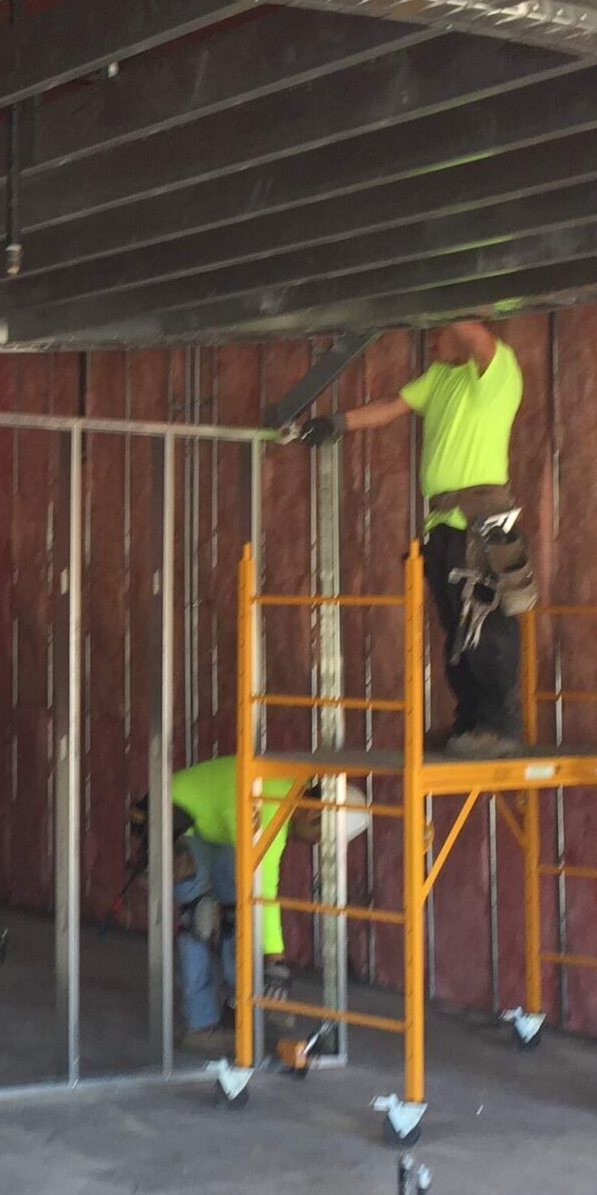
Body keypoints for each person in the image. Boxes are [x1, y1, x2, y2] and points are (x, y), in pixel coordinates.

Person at [295, 319, 528, 757]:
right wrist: (335, 424)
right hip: (443, 523)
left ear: (462, 331)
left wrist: (449, 306)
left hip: (481, 519)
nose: (431, 340)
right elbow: (390, 406)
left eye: (436, 331)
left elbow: (478, 337)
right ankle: (471, 722)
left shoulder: (497, 373)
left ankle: (499, 726)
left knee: (487, 625)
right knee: (456, 627)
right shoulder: (441, 376)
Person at [130, 756, 367, 1057]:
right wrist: (276, 960)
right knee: (200, 917)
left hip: (211, 823)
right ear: (312, 812)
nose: (312, 844)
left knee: (241, 913)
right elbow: (263, 889)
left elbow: (255, 897)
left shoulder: (291, 793)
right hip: (170, 816)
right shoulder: (270, 808)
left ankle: (241, 1005)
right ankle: (199, 1027)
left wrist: (272, 961)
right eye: (318, 837)